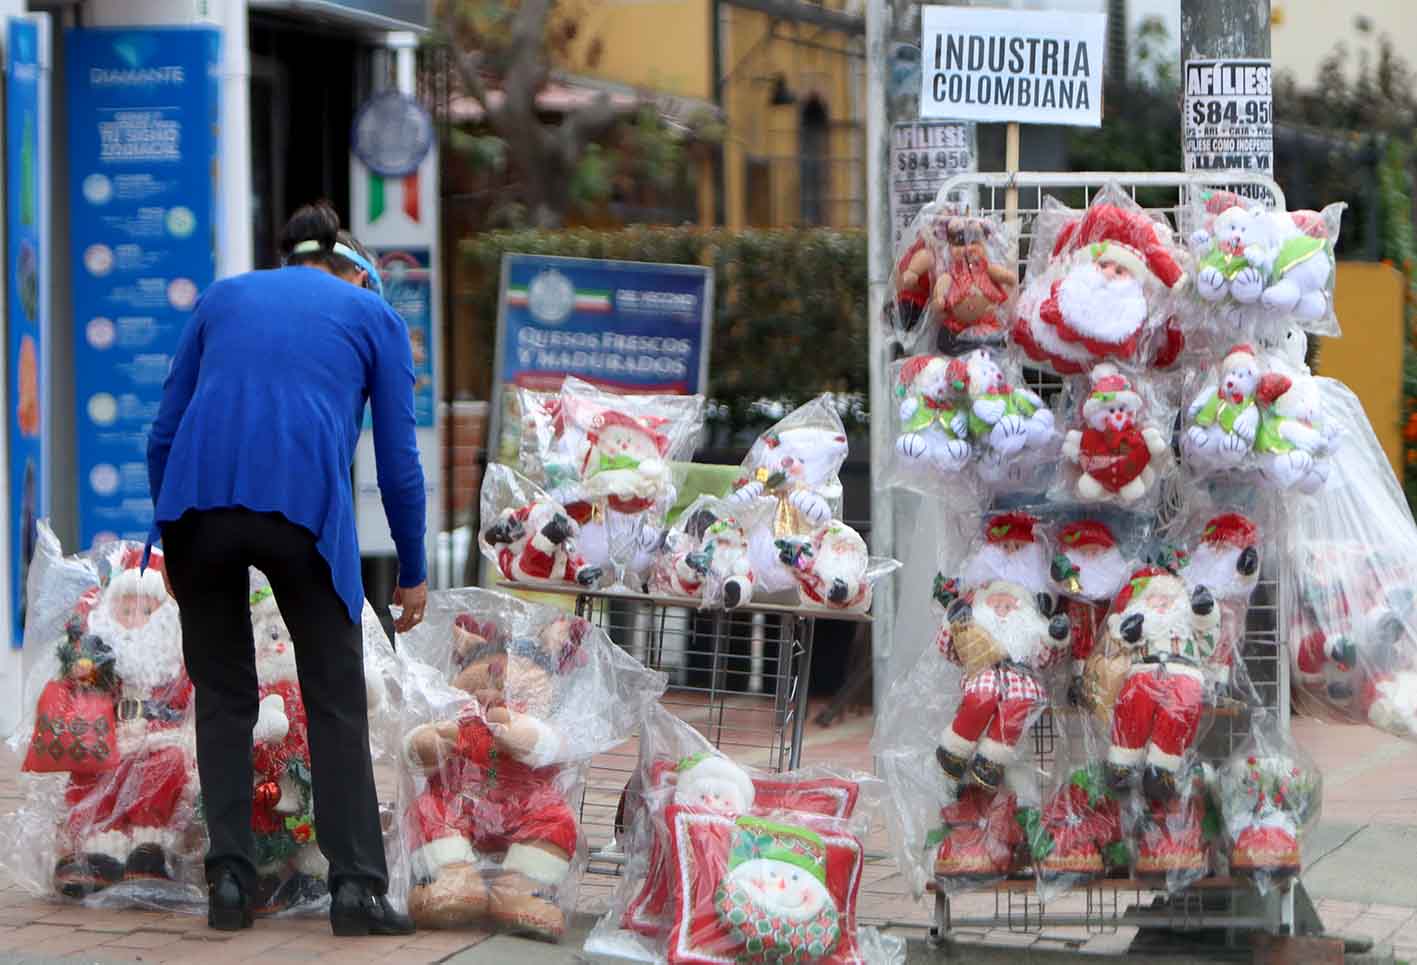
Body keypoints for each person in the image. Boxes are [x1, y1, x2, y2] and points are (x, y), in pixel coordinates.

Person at [146, 202, 426, 937]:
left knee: (226, 693)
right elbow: (397, 464)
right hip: (302, 508)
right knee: (334, 695)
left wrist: (169, 542)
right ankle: (357, 890)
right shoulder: (373, 317)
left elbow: (163, 434)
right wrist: (413, 569)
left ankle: (231, 880)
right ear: (349, 266)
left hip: (196, 507)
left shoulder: (223, 297)